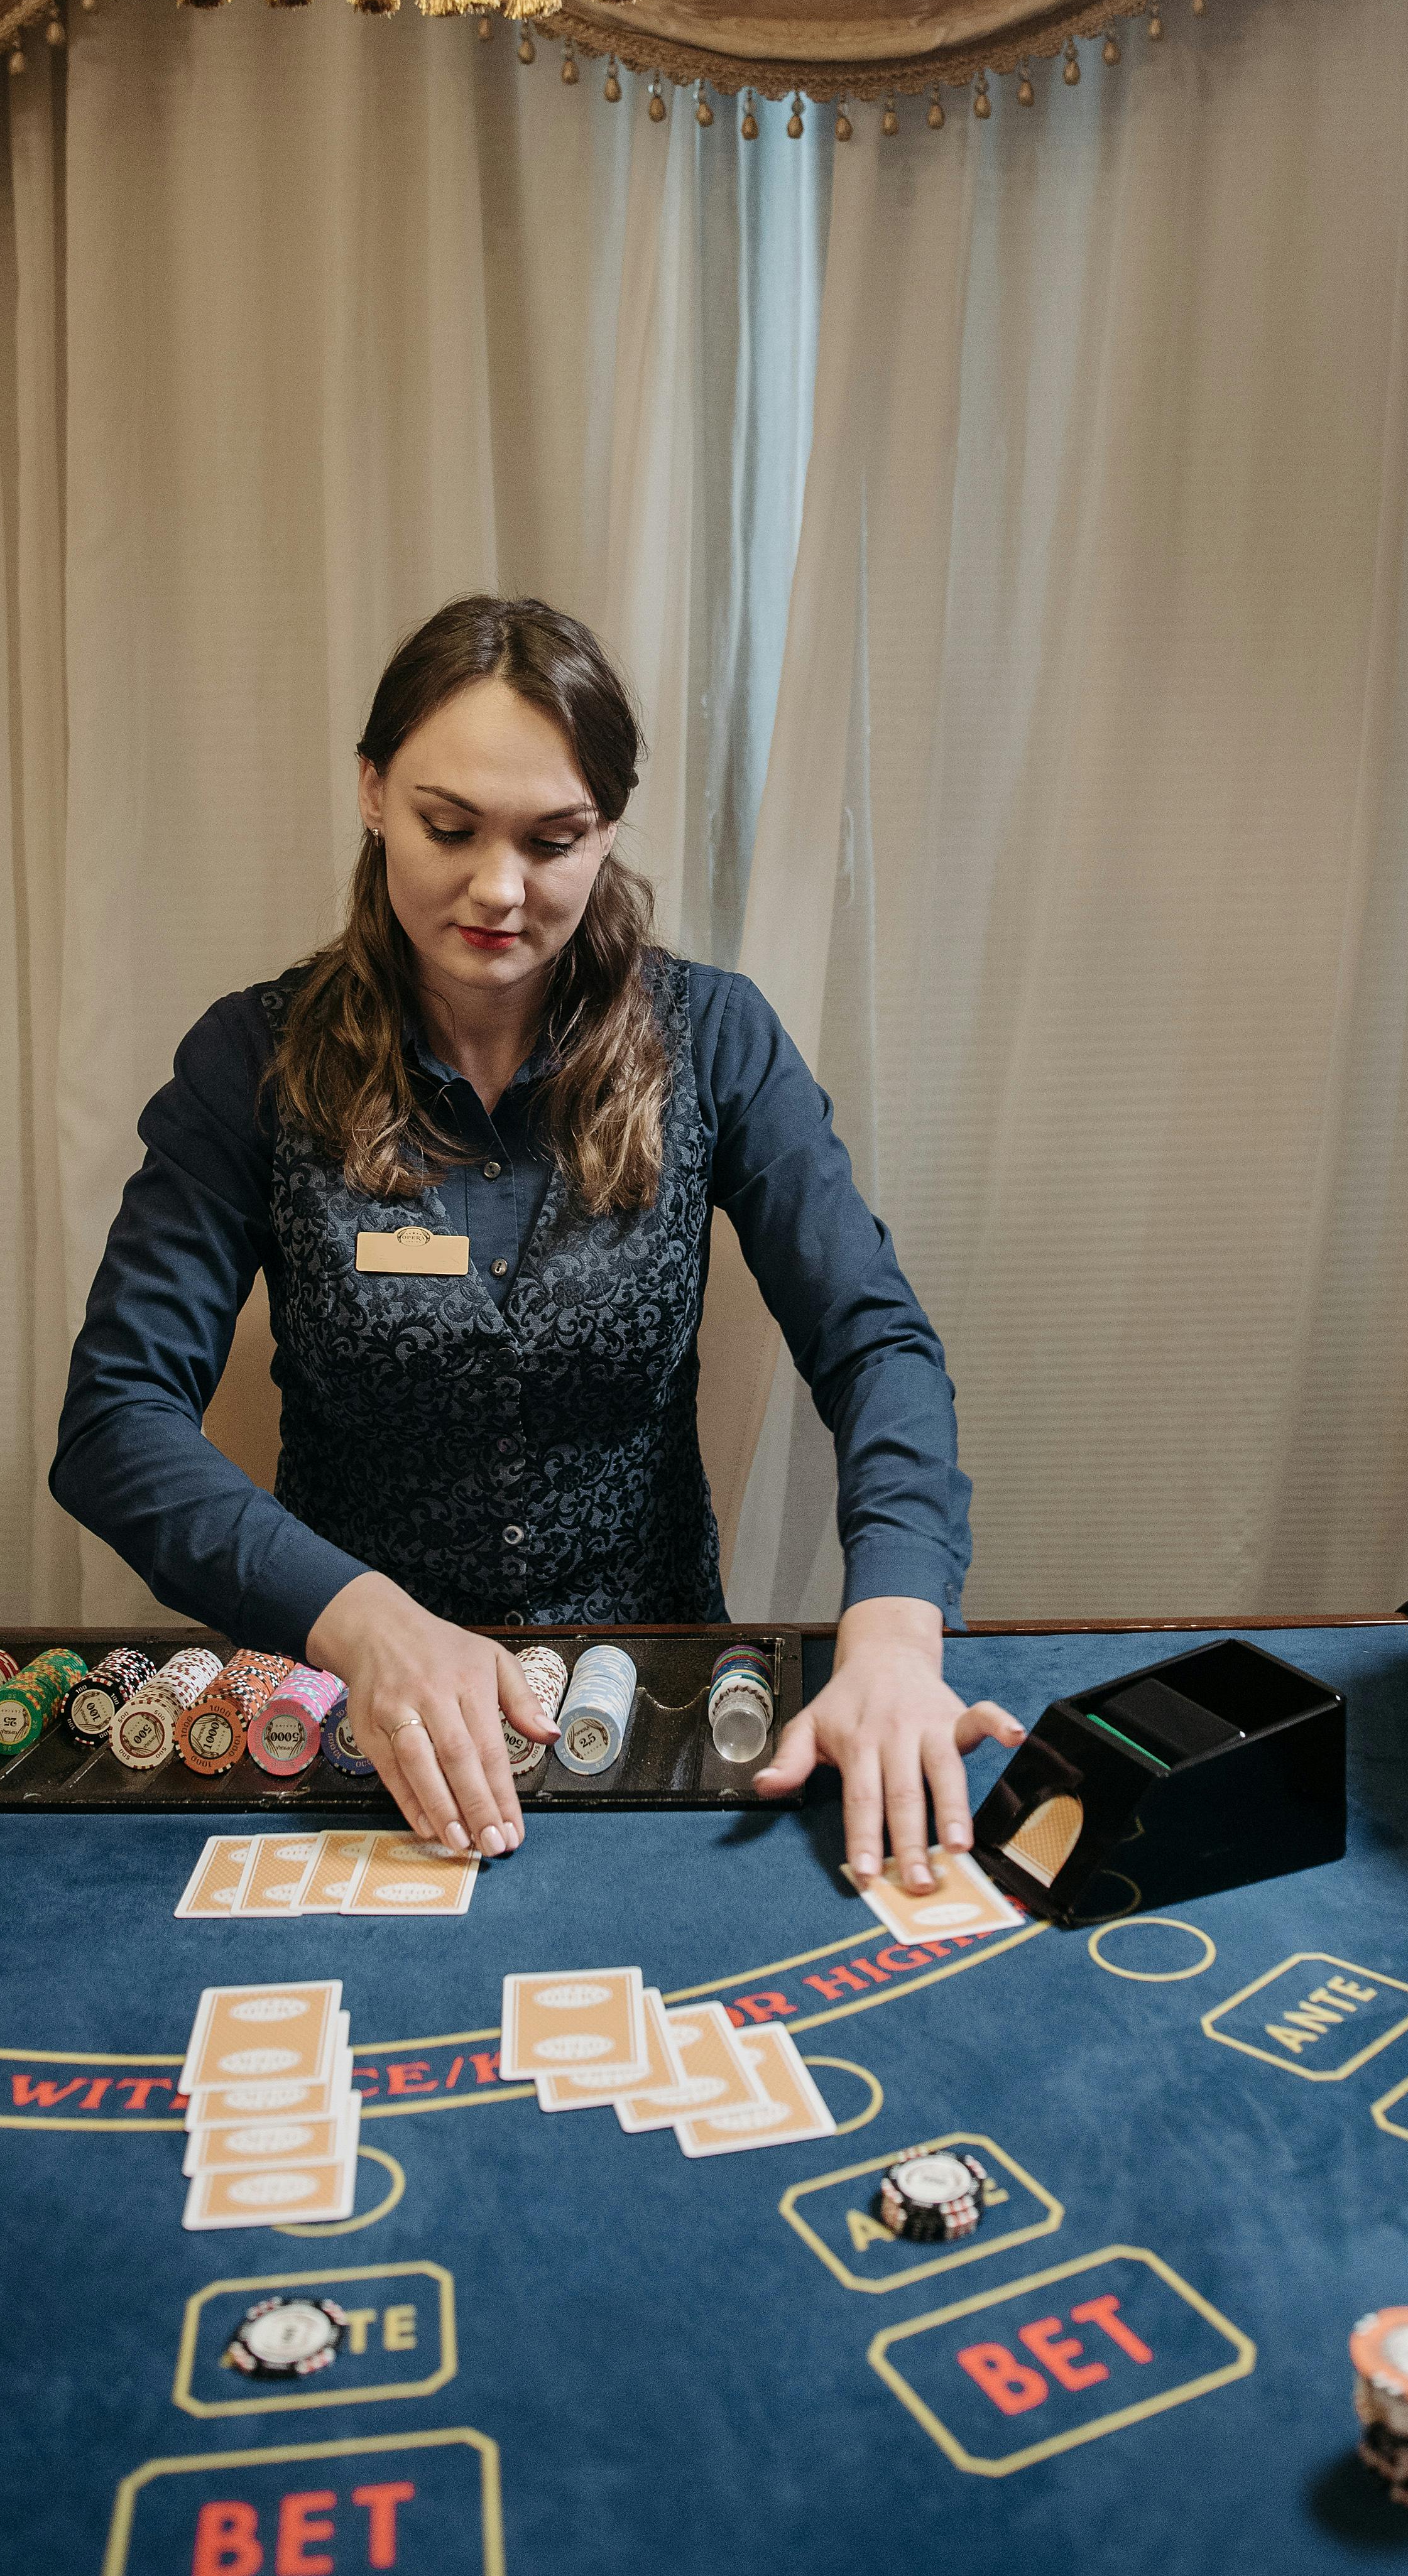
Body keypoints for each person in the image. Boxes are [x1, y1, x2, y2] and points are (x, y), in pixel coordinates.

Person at [52, 595, 1022, 1885]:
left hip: (666, 1716)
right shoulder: (251, 1059)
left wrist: (895, 1634)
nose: (498, 889)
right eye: (449, 827)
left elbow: (875, 1343)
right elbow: (117, 1421)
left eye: (553, 840)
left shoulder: (716, 1041)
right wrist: (365, 1625)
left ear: (607, 830)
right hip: (354, 1723)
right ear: (372, 794)